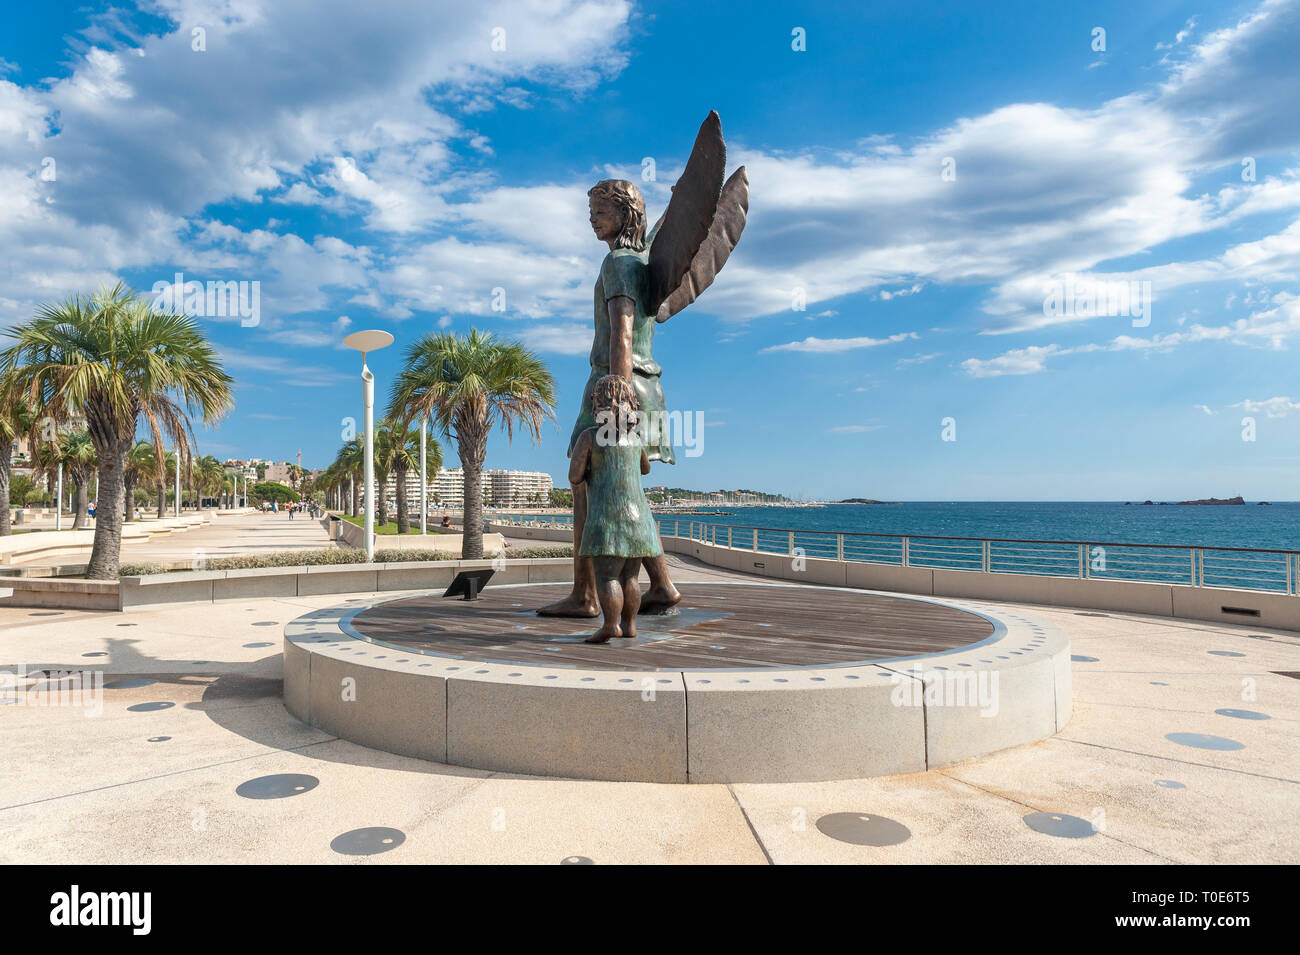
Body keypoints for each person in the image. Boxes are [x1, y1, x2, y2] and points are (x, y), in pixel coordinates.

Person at [568, 375, 660, 643]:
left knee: (607, 575)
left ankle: (610, 625)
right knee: (631, 576)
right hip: (639, 519)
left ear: (599, 403)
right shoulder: (635, 440)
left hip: (607, 519)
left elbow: (575, 477)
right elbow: (645, 468)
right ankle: (629, 625)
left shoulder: (589, 438)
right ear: (631, 403)